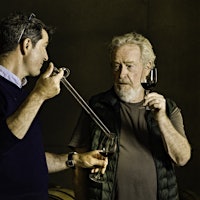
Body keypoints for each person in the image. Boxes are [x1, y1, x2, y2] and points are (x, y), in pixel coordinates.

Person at [69, 32, 191, 200]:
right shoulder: (96, 106)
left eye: (129, 66)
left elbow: (182, 158)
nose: (121, 74)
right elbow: (79, 167)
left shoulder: (168, 108)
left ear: (147, 68)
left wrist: (162, 119)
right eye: (116, 66)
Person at [0, 12, 107, 200]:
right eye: (44, 47)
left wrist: (76, 159)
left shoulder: (21, 93)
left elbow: (28, 158)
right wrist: (39, 95)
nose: (46, 56)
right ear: (26, 45)